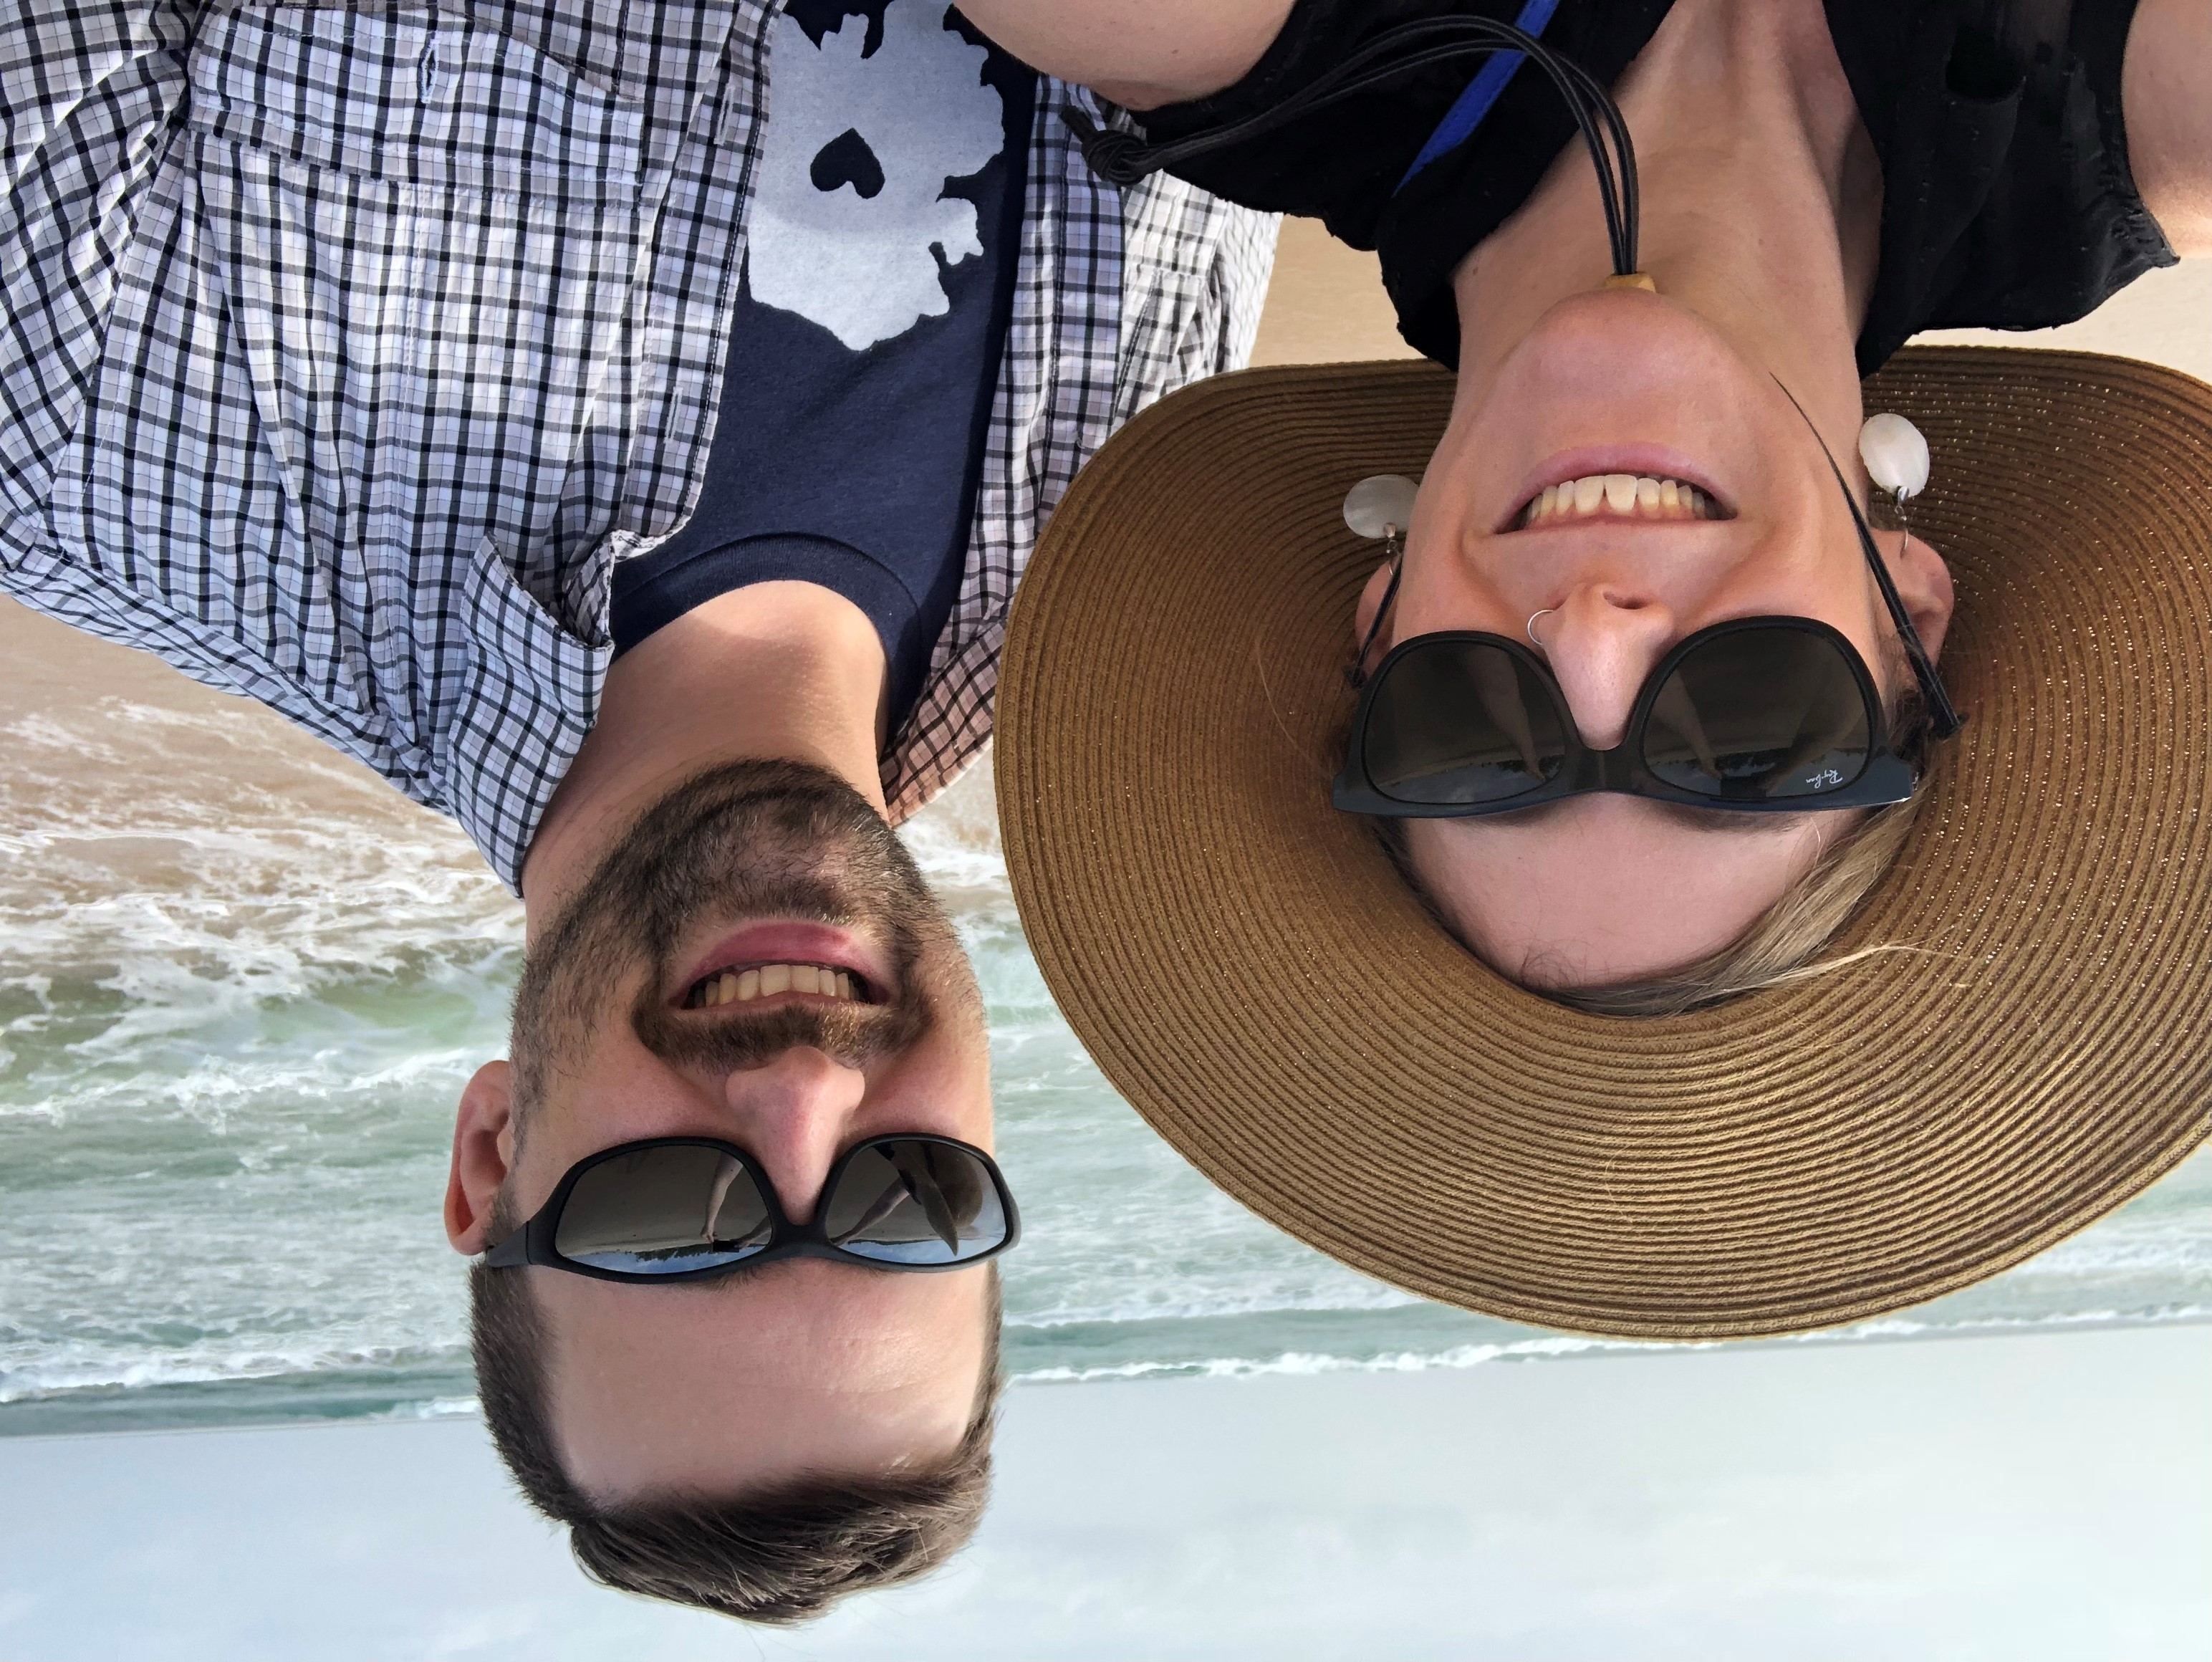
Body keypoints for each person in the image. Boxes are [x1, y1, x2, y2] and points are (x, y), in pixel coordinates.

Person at [0, 0, 1273, 1623]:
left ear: (492, 1153)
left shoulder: (86, 432)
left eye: (678, 1217)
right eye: (909, 1203)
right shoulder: (1143, 516)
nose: (810, 1094)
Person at [967, 0, 2212, 1343]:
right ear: (1907, 600)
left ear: (1382, 620)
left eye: (1470, 733)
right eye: (1750, 724)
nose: (1593, 634)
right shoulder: (2129, 125)